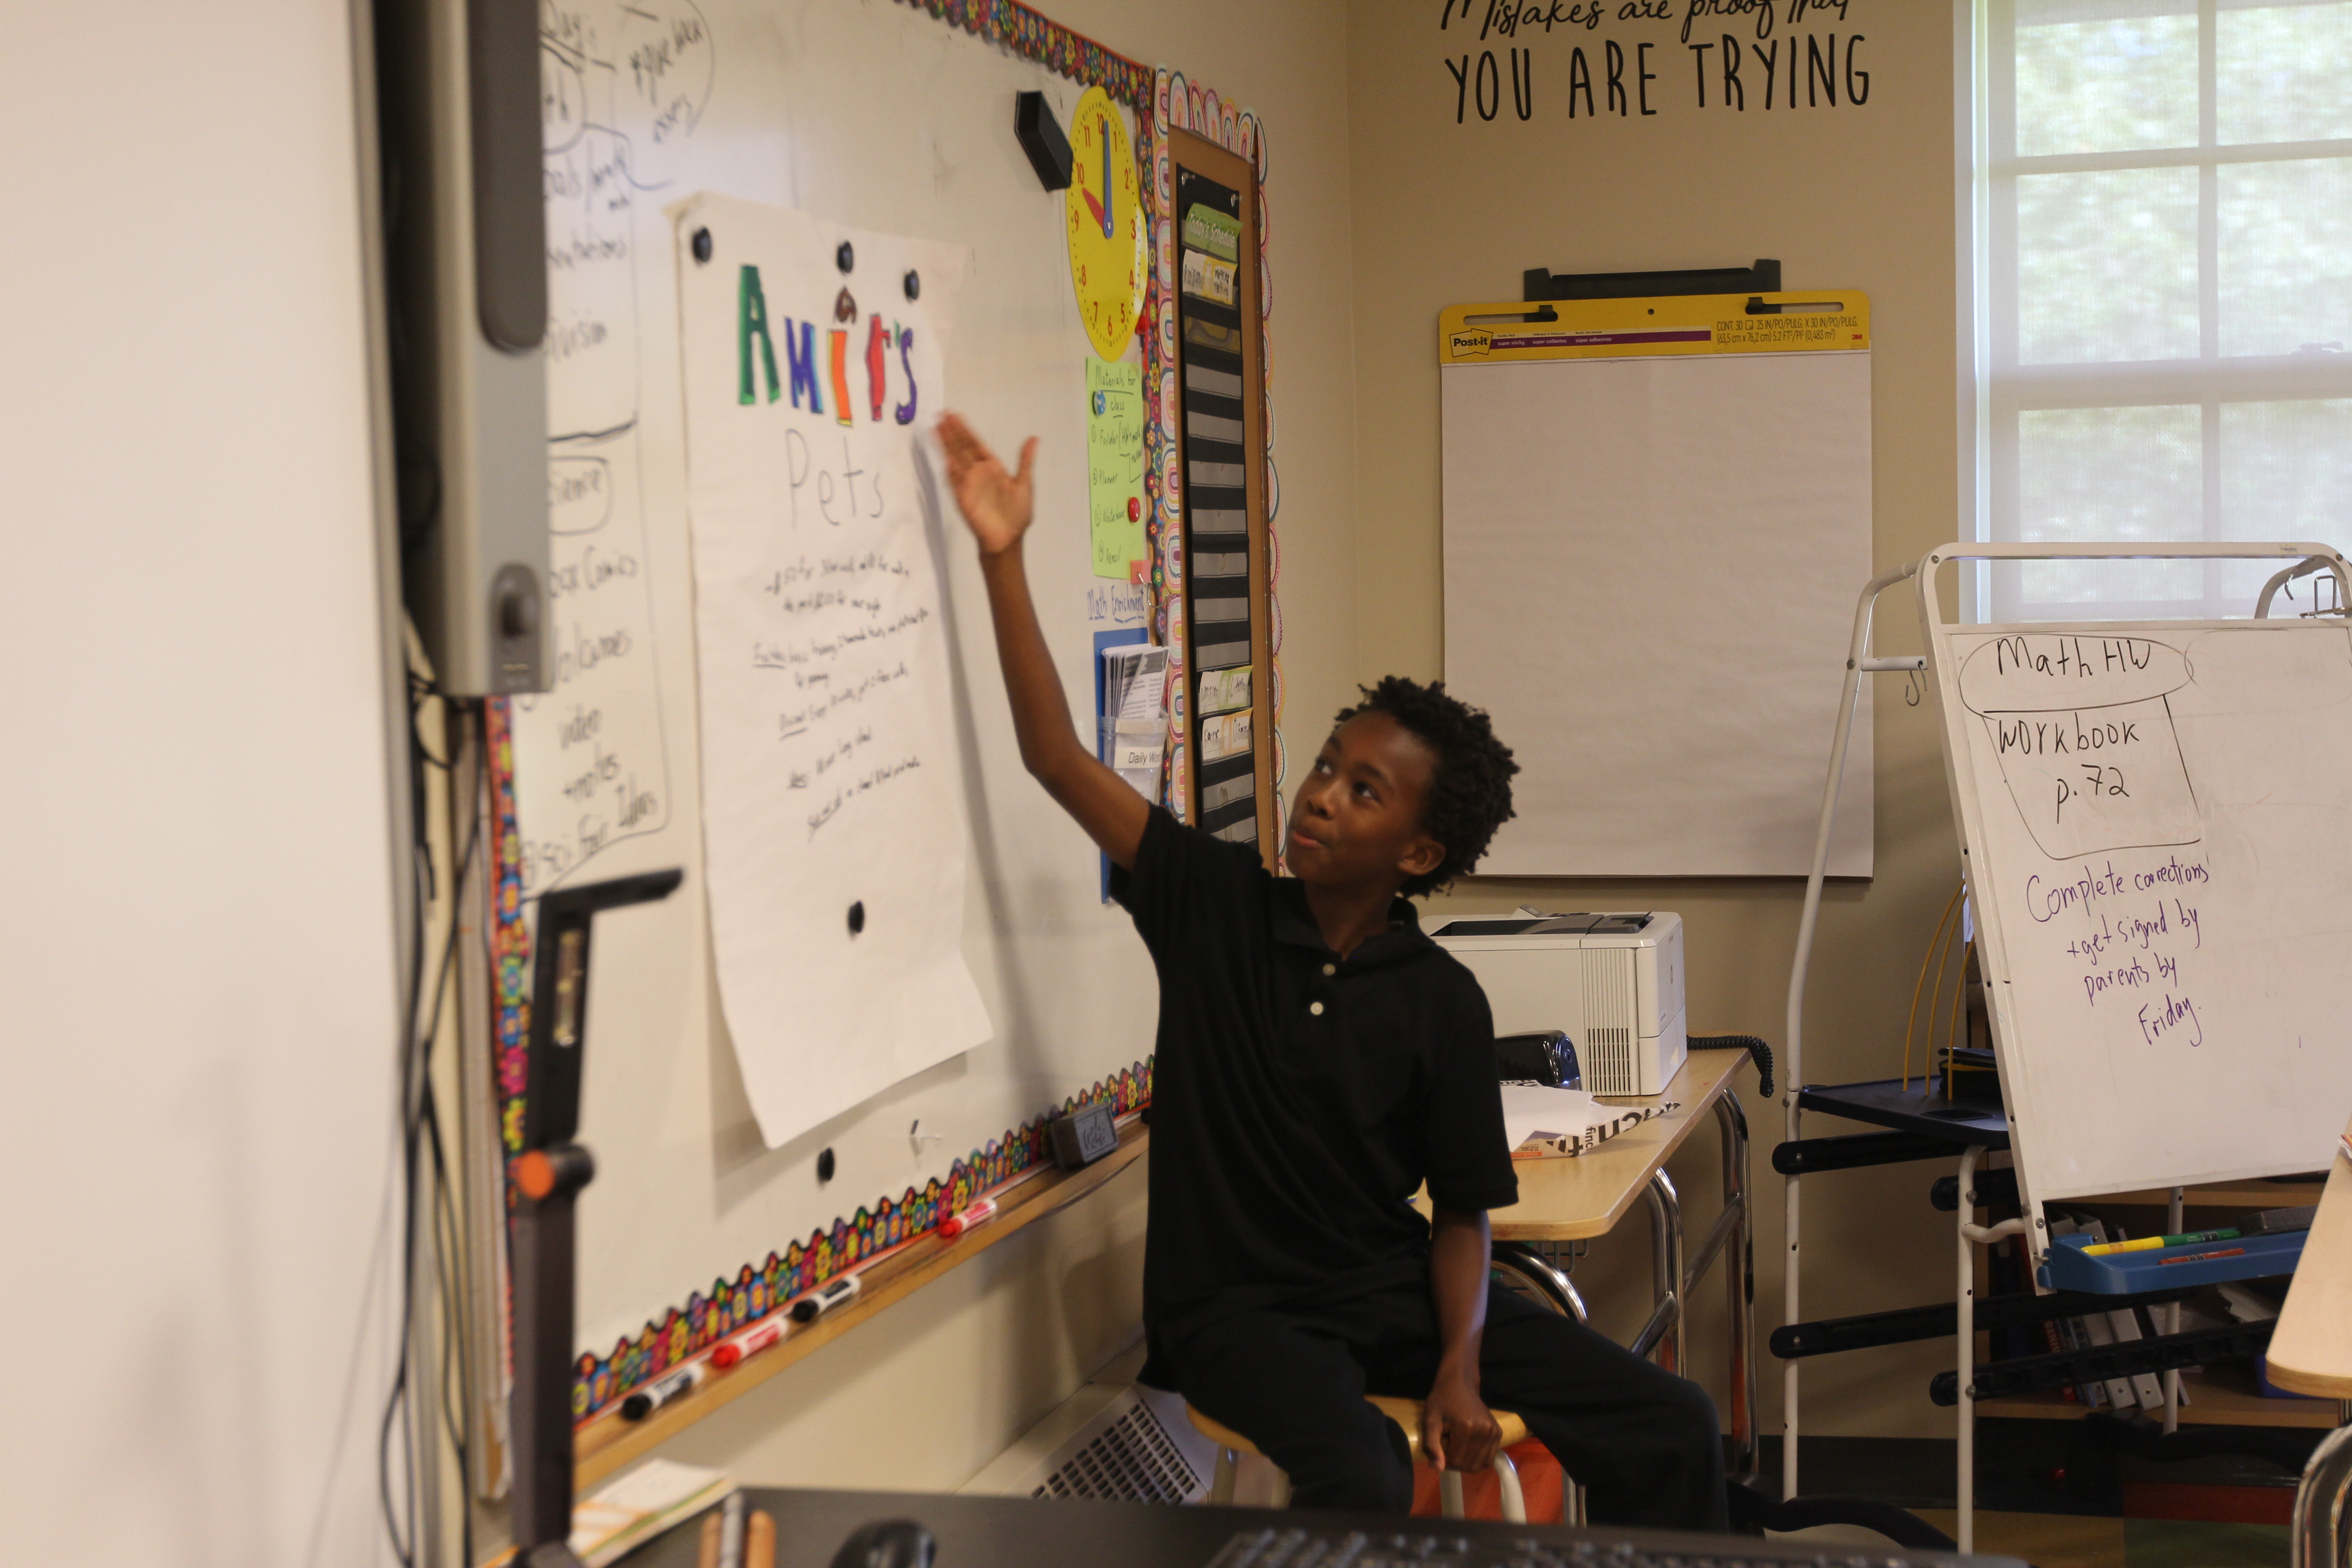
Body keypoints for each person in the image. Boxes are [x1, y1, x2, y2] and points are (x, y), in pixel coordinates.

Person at [936, 414, 1726, 1529]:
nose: (1320, 795)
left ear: (1417, 854)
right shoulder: (1209, 904)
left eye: (1364, 790)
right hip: (1236, 1316)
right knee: (1358, 1468)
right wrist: (1001, 554)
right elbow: (1053, 755)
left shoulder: (1440, 999)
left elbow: (1461, 1215)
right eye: (1326, 768)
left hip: (1390, 1293)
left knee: (1677, 1420)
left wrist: (1460, 1363)